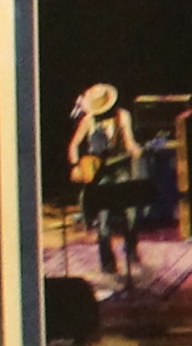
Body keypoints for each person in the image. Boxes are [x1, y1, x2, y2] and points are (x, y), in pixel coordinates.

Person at [62, 82, 145, 279]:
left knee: (130, 214)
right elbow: (73, 146)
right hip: (98, 173)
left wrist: (134, 149)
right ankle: (108, 263)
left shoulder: (121, 116)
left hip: (119, 168)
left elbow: (129, 140)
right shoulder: (88, 120)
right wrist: (77, 165)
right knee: (103, 220)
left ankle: (131, 249)